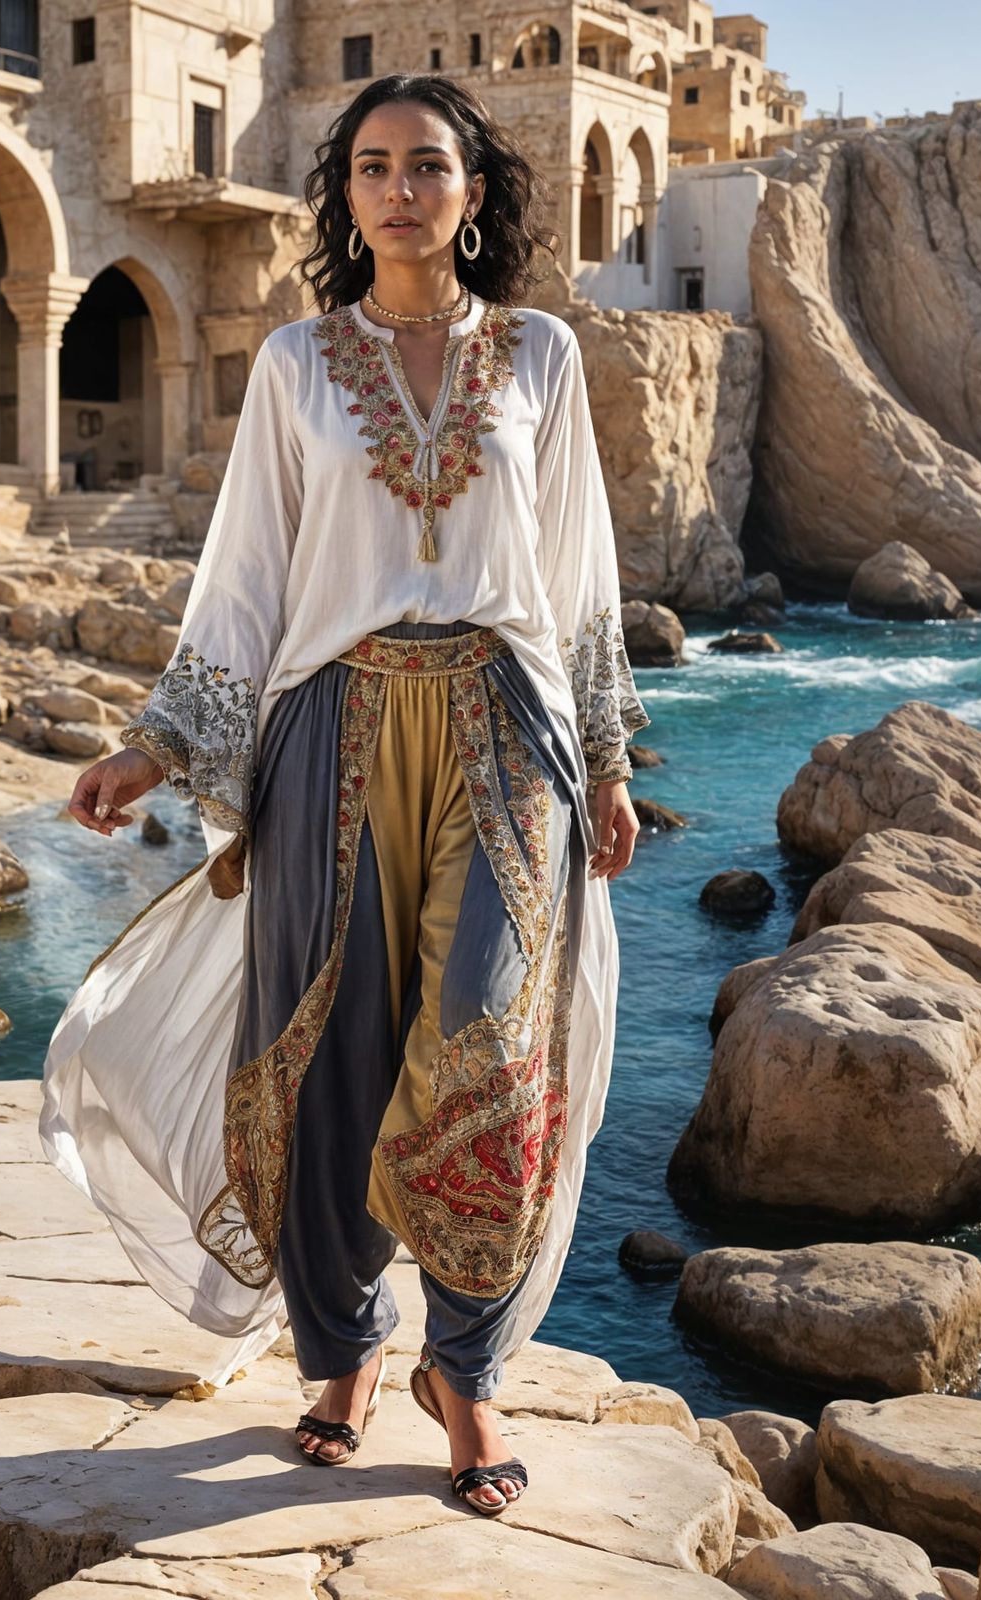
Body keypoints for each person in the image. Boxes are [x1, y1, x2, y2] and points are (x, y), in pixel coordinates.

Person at [41, 71, 649, 1518]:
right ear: (347, 194)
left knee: (487, 1055)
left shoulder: (545, 356)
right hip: (330, 733)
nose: (400, 189)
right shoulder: (301, 368)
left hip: (508, 740)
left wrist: (611, 756)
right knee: (324, 1055)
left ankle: (472, 1373)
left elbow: (581, 578)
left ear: (475, 191)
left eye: (428, 165)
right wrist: (159, 748)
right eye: (373, 166)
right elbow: (244, 580)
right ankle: (339, 1350)